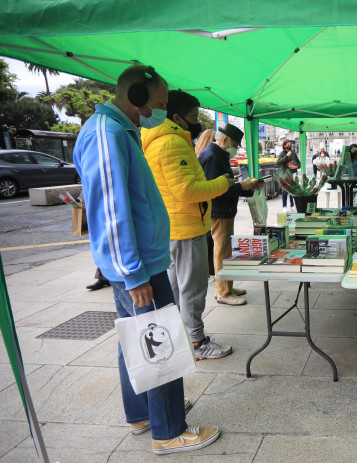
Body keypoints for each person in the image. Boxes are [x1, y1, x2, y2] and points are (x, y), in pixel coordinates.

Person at [72, 64, 219, 455]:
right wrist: (133, 274)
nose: (161, 110)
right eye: (158, 103)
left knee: (136, 340)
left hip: (139, 263)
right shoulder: (108, 135)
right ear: (136, 97)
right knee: (159, 343)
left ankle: (141, 413)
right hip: (137, 268)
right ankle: (169, 430)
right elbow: (109, 212)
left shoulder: (121, 131)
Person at [142, 90, 237, 359]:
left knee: (176, 288)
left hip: (173, 227)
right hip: (186, 227)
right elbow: (186, 190)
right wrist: (223, 184)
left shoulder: (160, 140)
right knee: (193, 288)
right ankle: (197, 342)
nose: (197, 121)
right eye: (194, 116)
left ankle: (181, 337)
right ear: (176, 117)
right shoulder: (172, 143)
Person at [199, 124, 263, 305]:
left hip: (224, 210)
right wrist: (240, 186)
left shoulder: (219, 154)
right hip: (219, 211)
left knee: (226, 251)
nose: (236, 149)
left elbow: (226, 184)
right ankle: (223, 292)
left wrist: (246, 186)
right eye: (235, 144)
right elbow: (216, 189)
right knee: (221, 251)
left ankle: (226, 286)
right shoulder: (212, 156)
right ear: (225, 140)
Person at [195, 129, 217, 280]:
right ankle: (210, 271)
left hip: (204, 206)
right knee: (211, 239)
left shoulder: (198, 155)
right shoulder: (211, 156)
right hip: (210, 205)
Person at [277, 139, 300, 211]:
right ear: (284, 146)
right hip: (286, 174)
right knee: (285, 190)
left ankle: (292, 205)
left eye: (290, 146)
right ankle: (284, 206)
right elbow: (279, 162)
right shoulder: (282, 153)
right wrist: (287, 156)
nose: (289, 147)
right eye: (287, 146)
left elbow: (299, 163)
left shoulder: (293, 153)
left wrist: (296, 166)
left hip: (293, 173)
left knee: (292, 190)